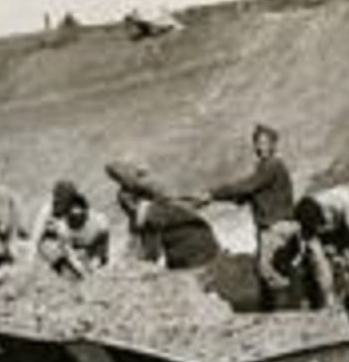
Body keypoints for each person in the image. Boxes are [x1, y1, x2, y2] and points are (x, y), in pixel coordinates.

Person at [204, 124, 295, 308]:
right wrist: (216, 199)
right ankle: (279, 309)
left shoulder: (272, 166)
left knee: (267, 270)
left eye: (263, 143)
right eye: (257, 143)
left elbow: (248, 186)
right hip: (269, 227)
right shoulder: (265, 167)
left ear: (273, 145)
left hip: (276, 226)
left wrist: (213, 194)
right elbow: (248, 194)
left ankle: (286, 308)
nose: (259, 147)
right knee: (270, 269)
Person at [107, 162, 219, 270]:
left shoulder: (148, 214)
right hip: (208, 247)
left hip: (192, 257)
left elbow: (151, 254)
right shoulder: (172, 205)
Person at [38, 193, 110, 278]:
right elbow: (64, 250)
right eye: (72, 216)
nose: (75, 219)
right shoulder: (60, 227)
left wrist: (96, 260)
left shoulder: (99, 222)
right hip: (70, 252)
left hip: (91, 248)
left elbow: (102, 246)